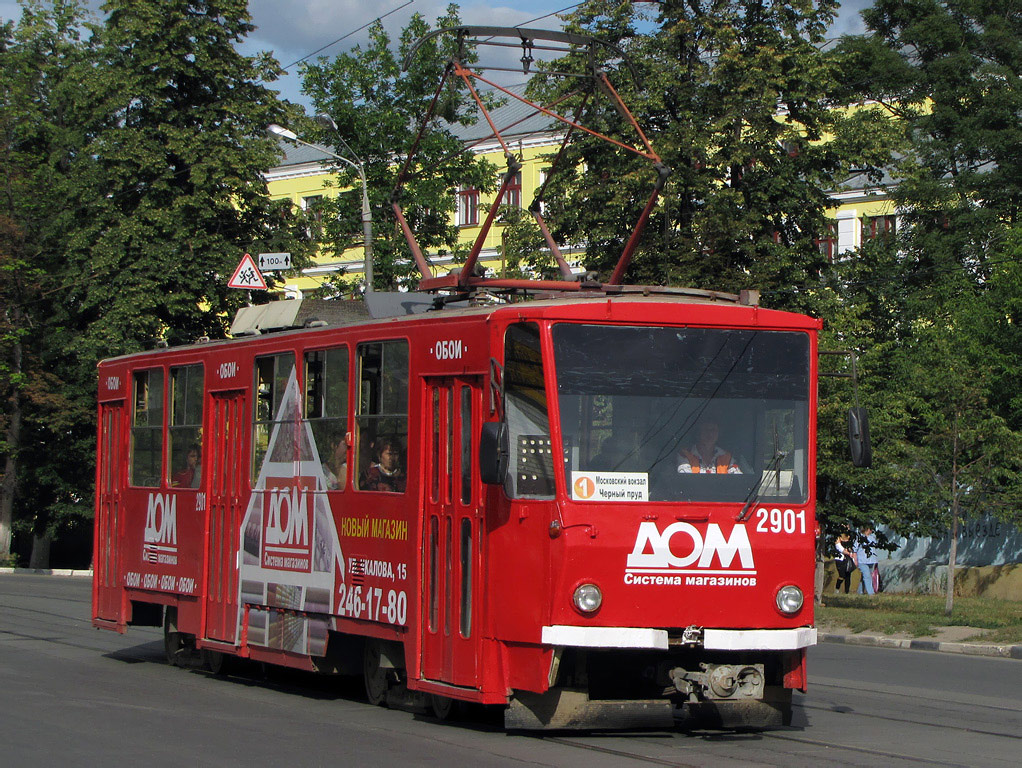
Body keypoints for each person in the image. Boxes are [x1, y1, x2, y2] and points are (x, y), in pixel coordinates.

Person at [677, 419, 742, 474]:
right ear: (698, 432)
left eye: (713, 430)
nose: (710, 434)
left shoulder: (727, 457)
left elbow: (738, 481)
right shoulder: (685, 455)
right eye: (706, 430)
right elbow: (686, 482)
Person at [854, 525, 880, 595]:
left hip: (871, 560)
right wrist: (855, 560)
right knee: (867, 576)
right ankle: (871, 593)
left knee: (865, 576)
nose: (871, 531)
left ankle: (860, 591)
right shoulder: (859, 538)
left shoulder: (872, 538)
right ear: (867, 529)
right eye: (870, 529)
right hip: (862, 560)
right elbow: (854, 550)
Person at [834, 529, 856, 594]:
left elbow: (851, 548)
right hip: (840, 559)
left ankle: (847, 591)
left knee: (848, 575)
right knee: (842, 575)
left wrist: (850, 552)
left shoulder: (850, 537)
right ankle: (837, 589)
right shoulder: (838, 538)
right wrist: (847, 552)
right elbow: (840, 548)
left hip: (847, 559)